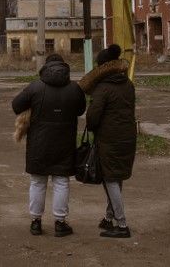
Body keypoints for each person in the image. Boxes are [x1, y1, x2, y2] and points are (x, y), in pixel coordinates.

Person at [11, 53, 86, 237]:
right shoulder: (74, 88)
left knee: (38, 182)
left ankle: (36, 222)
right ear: (64, 67)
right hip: (64, 143)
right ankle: (60, 223)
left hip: (39, 143)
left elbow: (16, 106)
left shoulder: (35, 87)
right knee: (61, 182)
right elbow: (81, 109)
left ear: (46, 68)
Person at [85, 44, 137, 239]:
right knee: (116, 176)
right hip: (127, 136)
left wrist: (91, 127)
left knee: (110, 178)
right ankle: (109, 217)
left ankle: (122, 224)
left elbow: (93, 117)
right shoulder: (127, 84)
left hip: (109, 138)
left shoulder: (103, 88)